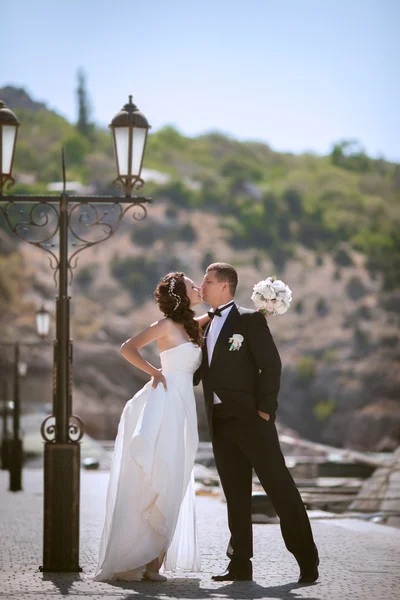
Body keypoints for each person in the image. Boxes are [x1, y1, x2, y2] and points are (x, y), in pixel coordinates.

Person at [194, 262, 319, 584]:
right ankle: (239, 565)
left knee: (280, 489)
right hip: (218, 421)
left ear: (225, 286)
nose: (202, 286)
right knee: (235, 496)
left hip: (252, 420)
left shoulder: (249, 320)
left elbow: (271, 366)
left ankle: (307, 560)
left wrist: (265, 410)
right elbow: (202, 371)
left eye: (207, 282)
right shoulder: (207, 326)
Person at [92, 272, 209, 582]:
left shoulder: (190, 326)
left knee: (178, 476)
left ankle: (153, 562)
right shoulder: (165, 326)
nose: (199, 288)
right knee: (162, 473)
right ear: (182, 296)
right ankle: (140, 558)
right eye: (193, 286)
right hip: (166, 403)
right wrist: (154, 373)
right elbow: (127, 347)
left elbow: (214, 317)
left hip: (185, 407)